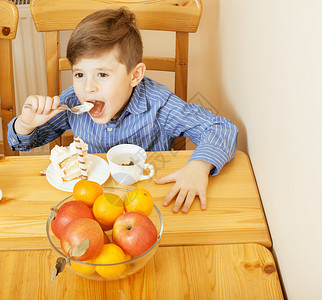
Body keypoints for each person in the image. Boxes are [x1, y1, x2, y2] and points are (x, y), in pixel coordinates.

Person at [7, 7, 238, 213]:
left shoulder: (159, 104)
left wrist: (198, 166)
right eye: (79, 74)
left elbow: (221, 128)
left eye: (102, 74)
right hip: (92, 204)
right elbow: (22, 142)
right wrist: (25, 124)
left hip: (149, 203)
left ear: (135, 75)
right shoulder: (71, 102)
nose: (88, 87)